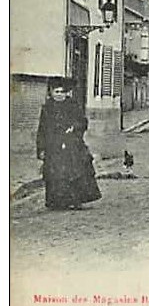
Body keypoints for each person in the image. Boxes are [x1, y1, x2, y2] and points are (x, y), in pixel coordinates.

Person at [36, 79, 101, 210]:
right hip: (53, 145)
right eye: (57, 92)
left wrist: (74, 127)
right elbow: (42, 129)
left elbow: (83, 122)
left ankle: (75, 200)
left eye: (62, 92)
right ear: (51, 92)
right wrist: (41, 149)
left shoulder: (73, 106)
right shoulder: (47, 108)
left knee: (75, 171)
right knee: (55, 174)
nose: (59, 95)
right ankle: (56, 201)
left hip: (72, 144)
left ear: (66, 93)